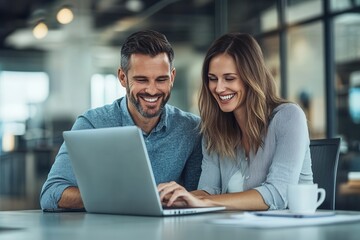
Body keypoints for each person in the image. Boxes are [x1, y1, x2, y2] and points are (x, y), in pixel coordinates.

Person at [40, 30, 203, 210]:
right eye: (141, 80)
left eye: (161, 79)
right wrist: (120, 198)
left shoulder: (192, 129)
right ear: (122, 77)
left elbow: (200, 195)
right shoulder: (92, 124)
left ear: (172, 77)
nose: (152, 90)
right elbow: (51, 194)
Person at [158, 32, 313, 211]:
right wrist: (180, 197)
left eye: (229, 78)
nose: (219, 88)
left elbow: (278, 194)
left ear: (251, 78)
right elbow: (209, 191)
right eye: (212, 79)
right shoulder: (214, 130)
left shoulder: (289, 117)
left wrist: (206, 202)